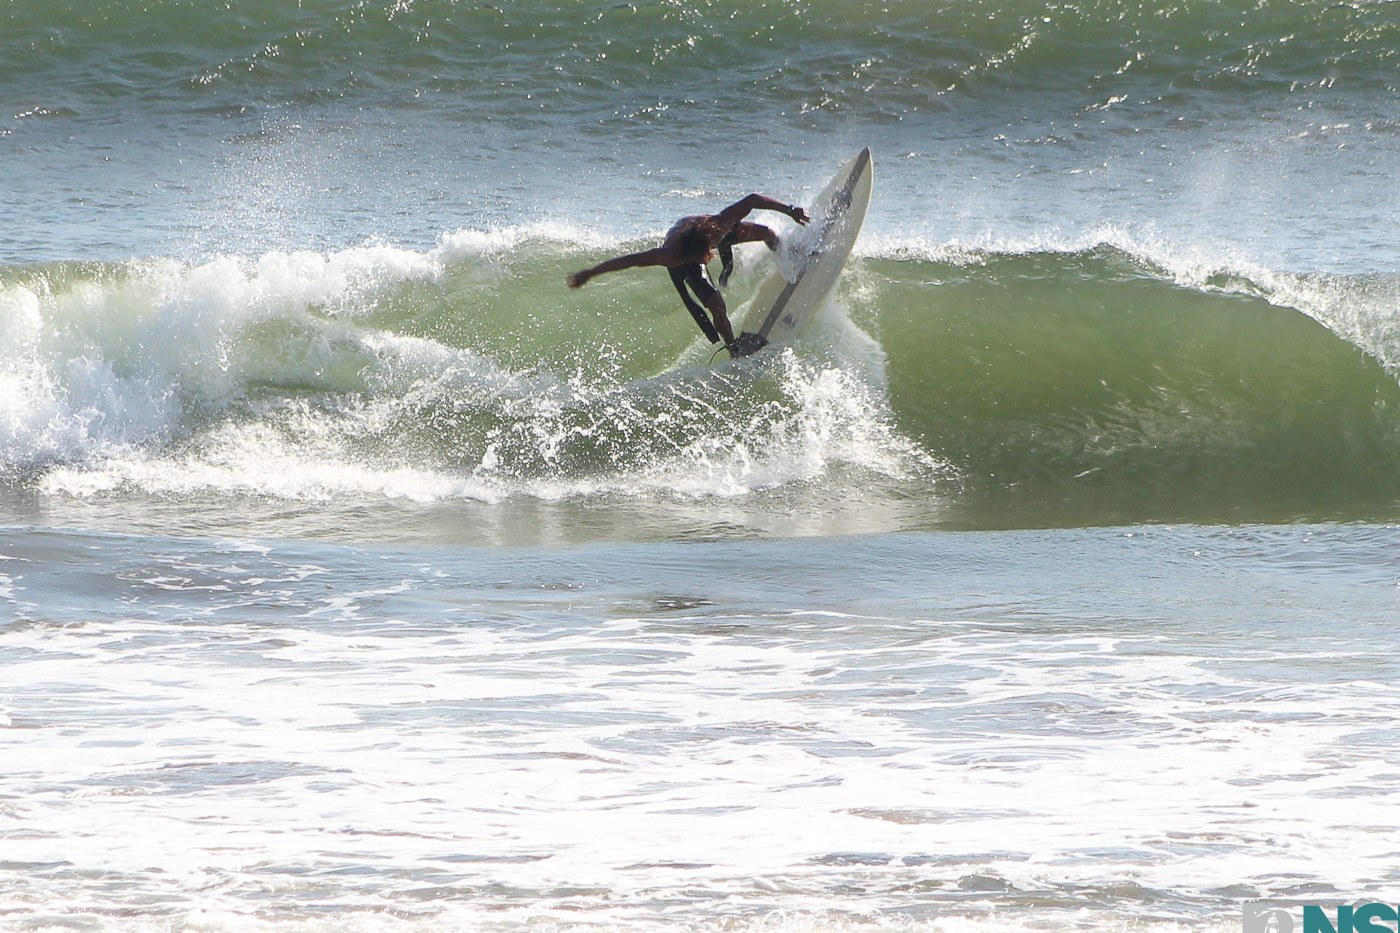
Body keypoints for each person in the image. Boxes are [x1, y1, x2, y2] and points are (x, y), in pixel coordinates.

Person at [565, 194, 811, 356]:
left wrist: (790, 210)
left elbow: (753, 199)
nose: (707, 259)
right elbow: (629, 261)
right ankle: (733, 348)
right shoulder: (670, 256)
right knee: (716, 305)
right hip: (683, 247)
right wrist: (590, 273)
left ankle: (787, 256)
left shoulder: (721, 225)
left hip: (707, 233)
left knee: (767, 232)